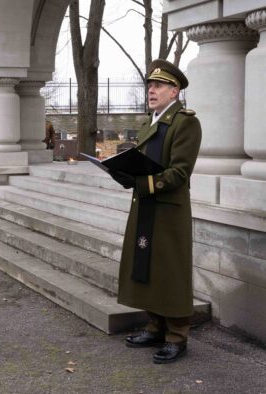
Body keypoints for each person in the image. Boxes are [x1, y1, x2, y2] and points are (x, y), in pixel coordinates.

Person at [112, 59, 202, 364]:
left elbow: (180, 172)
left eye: (159, 85)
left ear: (174, 91)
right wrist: (122, 174)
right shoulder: (150, 122)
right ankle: (154, 326)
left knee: (170, 271)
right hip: (146, 206)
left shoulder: (185, 122)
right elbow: (142, 164)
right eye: (150, 85)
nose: (152, 90)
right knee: (145, 267)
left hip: (168, 210)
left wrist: (142, 182)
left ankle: (177, 336)